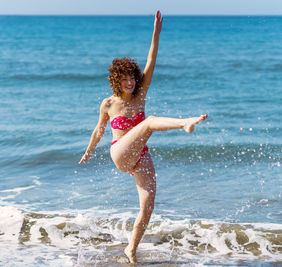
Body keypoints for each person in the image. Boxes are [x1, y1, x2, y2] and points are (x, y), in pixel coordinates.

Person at [79, 10, 207, 263]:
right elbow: (99, 129)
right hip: (120, 152)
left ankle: (131, 250)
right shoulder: (108, 103)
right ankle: (185, 123)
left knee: (147, 207)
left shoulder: (141, 93)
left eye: (132, 79)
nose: (130, 83)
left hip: (140, 157)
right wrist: (89, 149)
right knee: (148, 123)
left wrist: (156, 33)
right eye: (125, 80)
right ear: (117, 80)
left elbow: (151, 60)